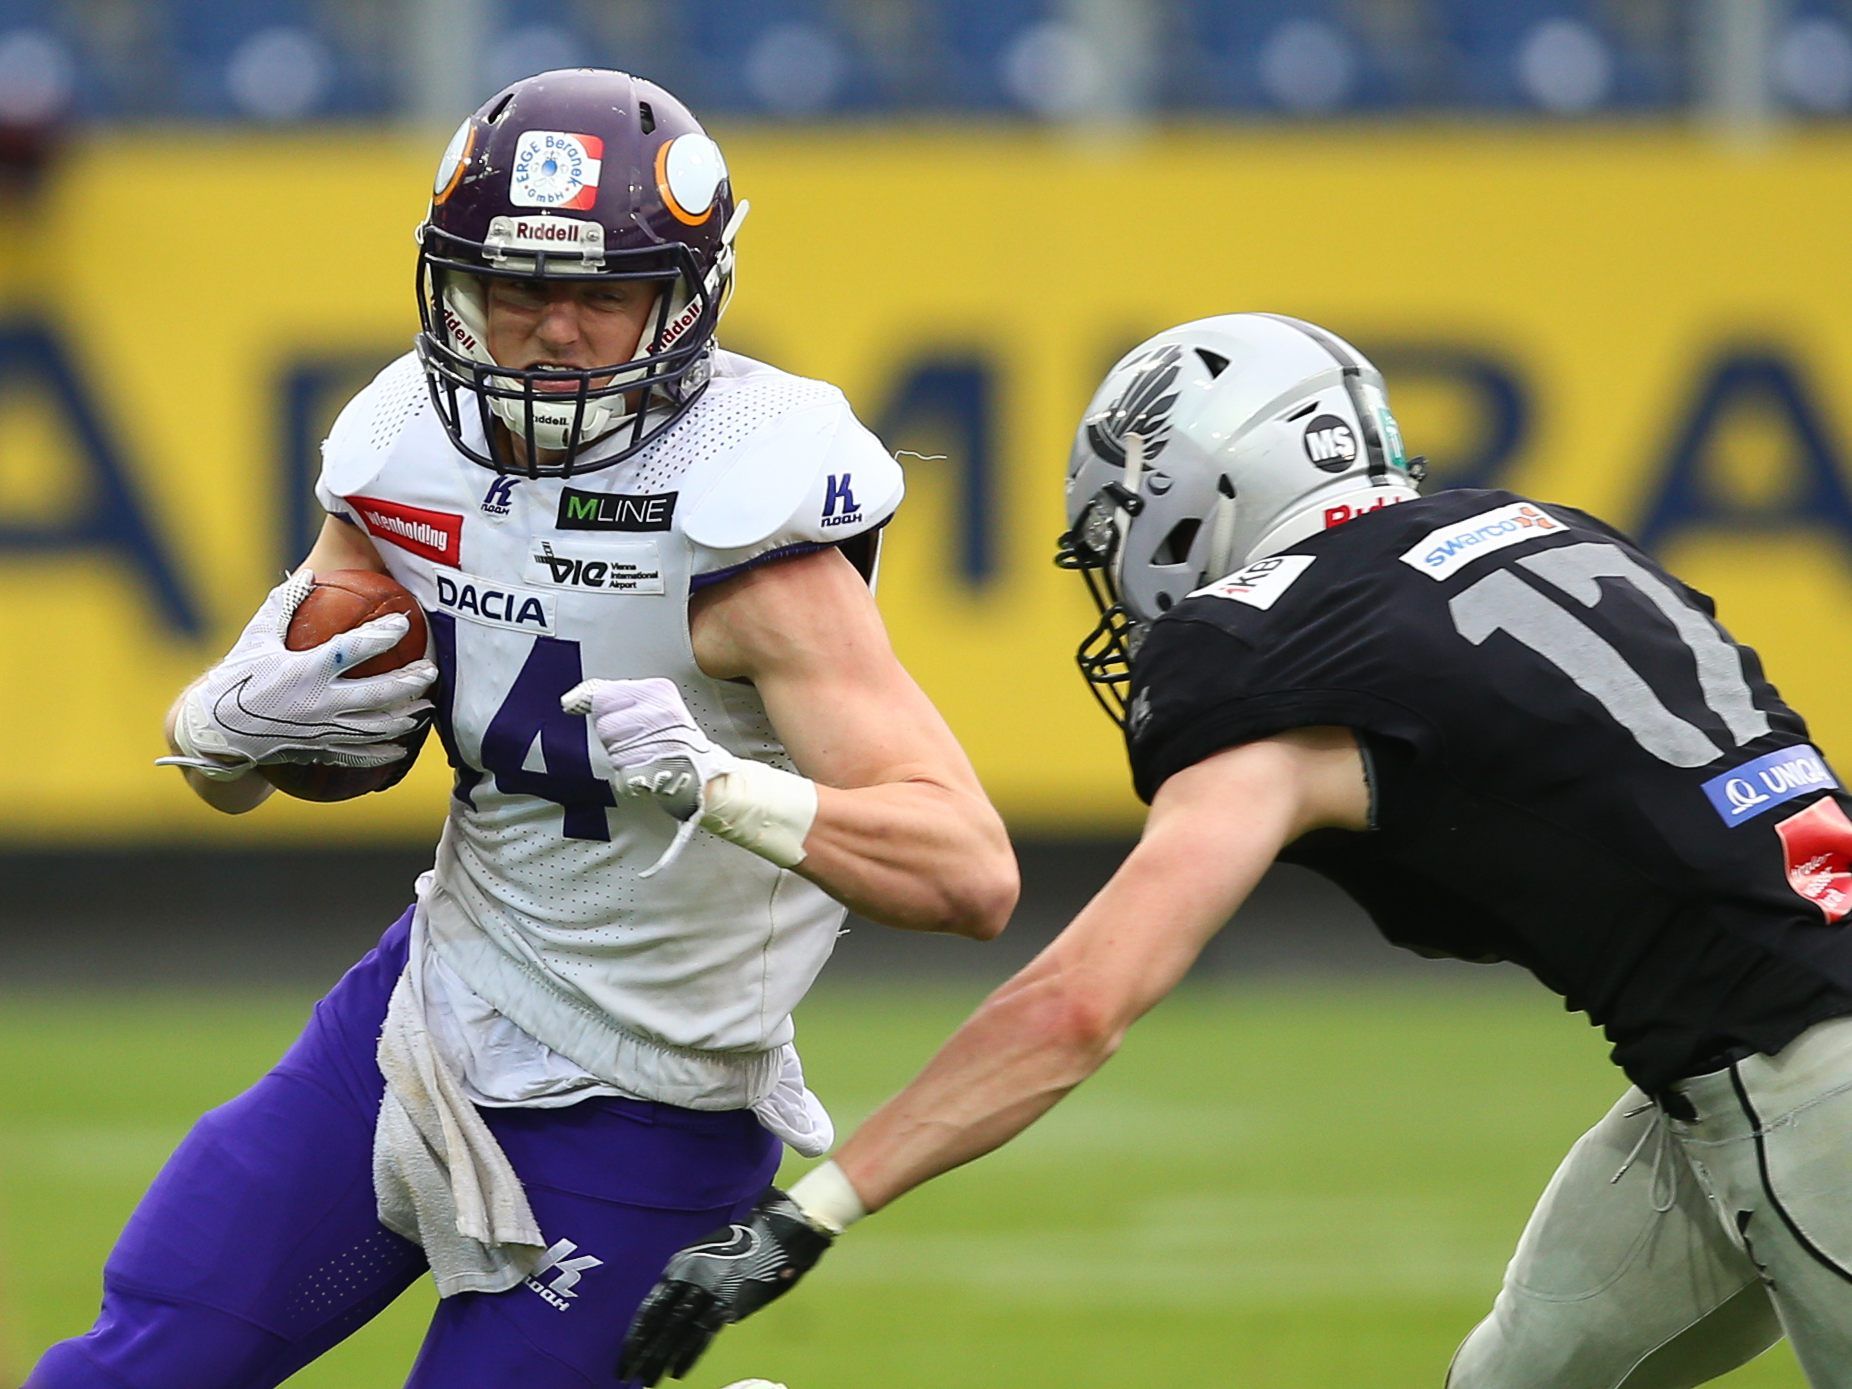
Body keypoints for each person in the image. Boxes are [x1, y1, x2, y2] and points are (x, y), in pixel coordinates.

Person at [619, 312, 1852, 1389]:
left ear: (1195, 488)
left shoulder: (1275, 647)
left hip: (1798, 1077)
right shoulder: (1540, 529)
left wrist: (810, 1213)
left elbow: (1079, 1004)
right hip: (1740, 1055)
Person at [28, 68, 1016, 1389]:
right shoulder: (405, 444)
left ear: (684, 296)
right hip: (424, 1012)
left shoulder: (750, 522)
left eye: (602, 294)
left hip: (653, 1095)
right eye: (515, 287)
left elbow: (968, 871)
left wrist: (722, 787)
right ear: (455, 283)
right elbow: (306, 734)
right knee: (131, 1365)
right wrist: (219, 730)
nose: (554, 330)